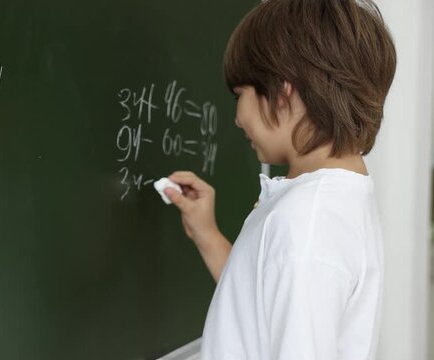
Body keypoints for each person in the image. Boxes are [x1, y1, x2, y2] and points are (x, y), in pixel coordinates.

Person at [164, 0, 396, 359]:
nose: (238, 118)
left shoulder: (306, 224)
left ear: (284, 90)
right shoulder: (331, 203)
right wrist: (207, 235)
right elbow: (263, 304)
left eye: (240, 95)